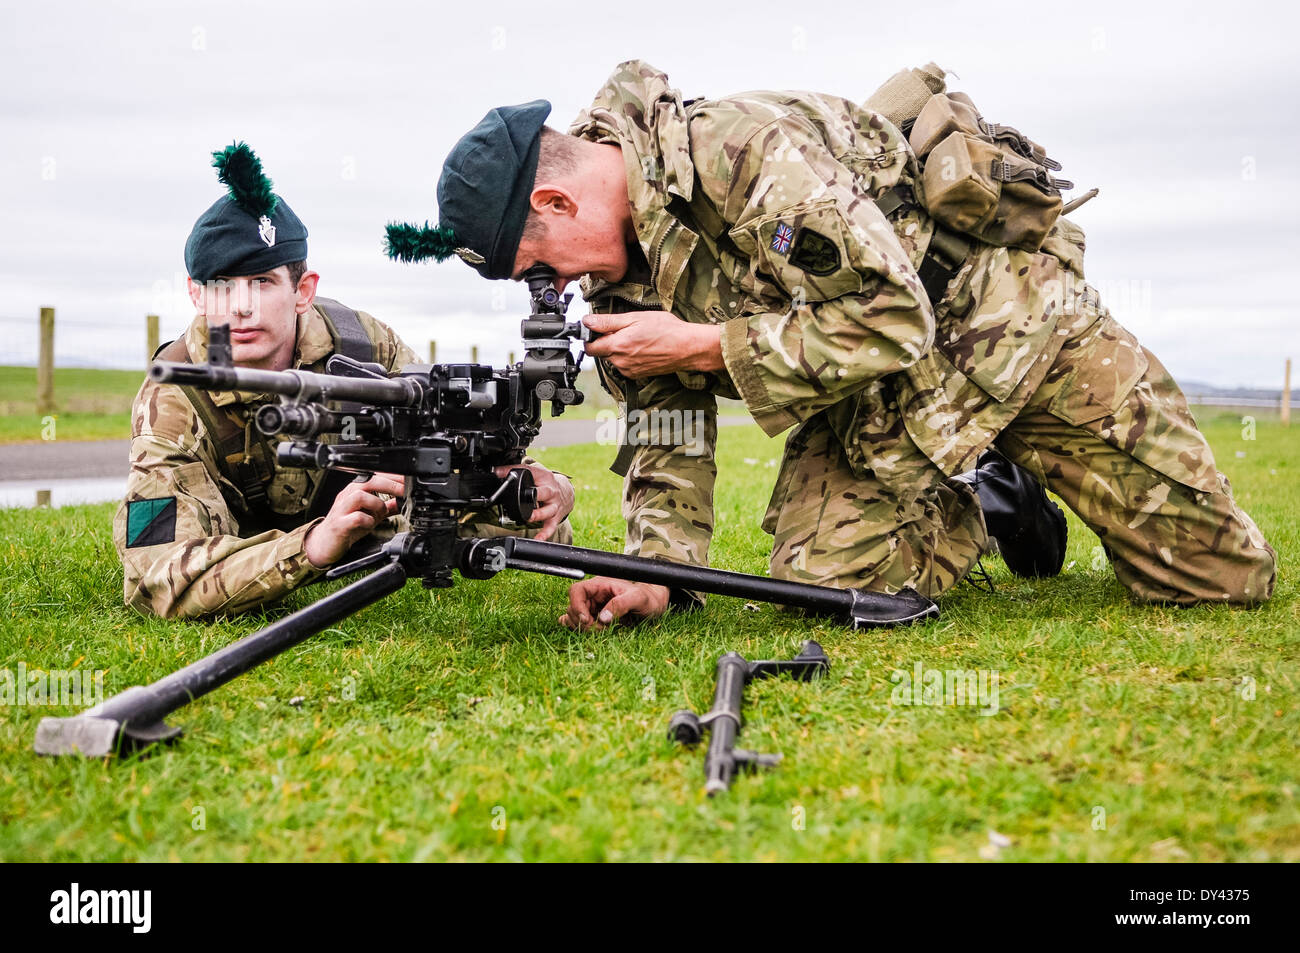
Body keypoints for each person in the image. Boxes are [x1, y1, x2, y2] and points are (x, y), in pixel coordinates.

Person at [395, 60, 1274, 630]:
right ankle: (981, 488)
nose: (550, 287)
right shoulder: (622, 271)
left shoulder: (741, 153)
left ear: (555, 204)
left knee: (1222, 581)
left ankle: (1015, 450)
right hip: (880, 395)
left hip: (1007, 327)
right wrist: (654, 571)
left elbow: (898, 317)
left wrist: (705, 344)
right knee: (824, 588)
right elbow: (672, 430)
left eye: (535, 265)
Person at [115, 142, 574, 619]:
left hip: (361, 522)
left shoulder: (363, 345)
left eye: (263, 282)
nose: (241, 306)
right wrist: (312, 546)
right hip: (237, 541)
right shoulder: (174, 395)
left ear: (303, 291)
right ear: (195, 294)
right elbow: (158, 578)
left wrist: (548, 484)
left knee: (517, 511)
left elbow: (446, 447)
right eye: (221, 286)